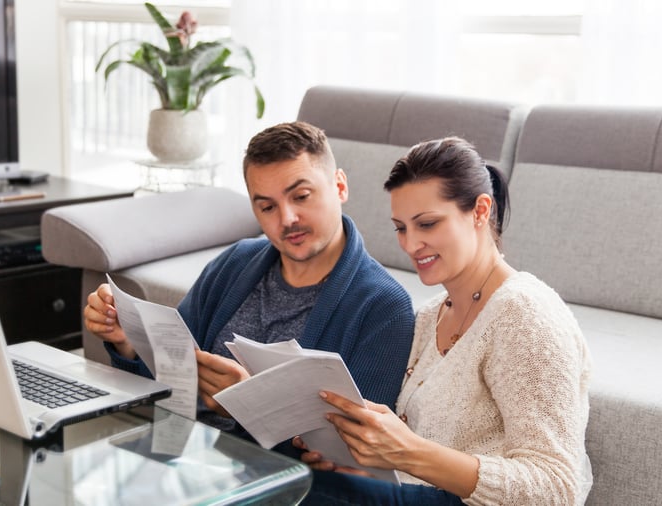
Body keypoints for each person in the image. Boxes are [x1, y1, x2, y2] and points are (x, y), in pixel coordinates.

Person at [298, 136, 593, 505]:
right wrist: (363, 462)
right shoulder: (430, 316)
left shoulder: (525, 315)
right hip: (420, 494)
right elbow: (412, 460)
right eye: (401, 228)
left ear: (480, 211)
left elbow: (556, 488)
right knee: (296, 479)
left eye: (427, 224)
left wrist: (408, 453)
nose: (409, 244)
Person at [83, 121, 415, 432]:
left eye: (301, 196)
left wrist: (251, 406)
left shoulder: (384, 307)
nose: (287, 219)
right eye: (267, 207)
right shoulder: (235, 263)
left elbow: (360, 450)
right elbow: (170, 377)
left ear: (339, 186)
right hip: (184, 450)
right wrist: (125, 341)